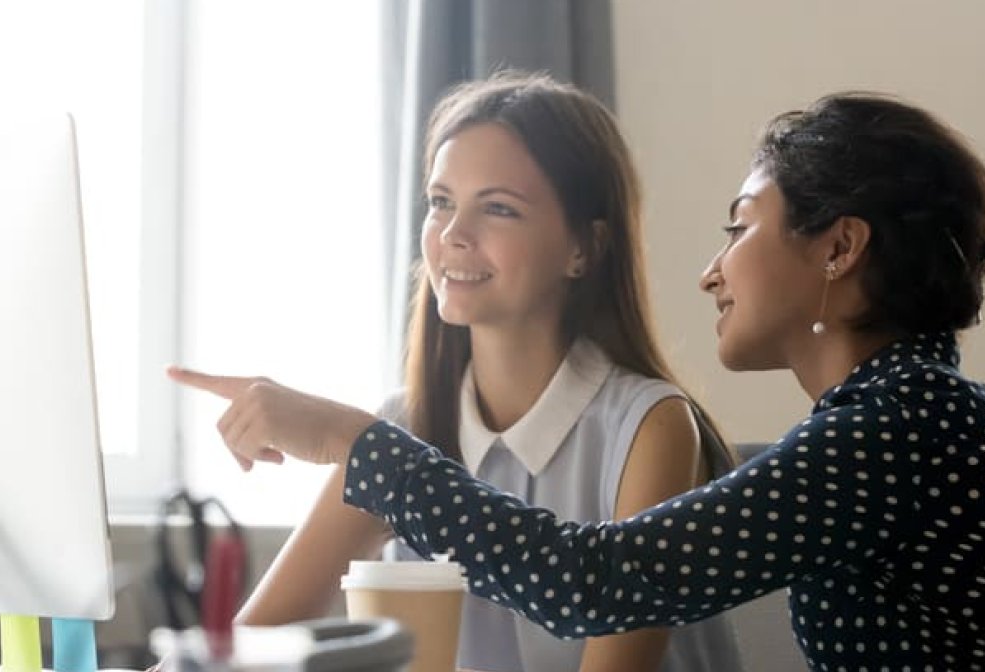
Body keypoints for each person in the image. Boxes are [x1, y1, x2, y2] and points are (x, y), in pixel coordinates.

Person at [175, 92, 985, 670]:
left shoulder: (903, 427)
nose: (713, 270)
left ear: (838, 247)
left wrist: (351, 445)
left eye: (740, 226)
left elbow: (600, 580)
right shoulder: (900, 418)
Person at [170, 71, 744, 672]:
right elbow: (243, 650)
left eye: (498, 208)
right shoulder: (404, 427)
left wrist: (341, 433)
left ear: (584, 247)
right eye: (441, 202)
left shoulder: (651, 428)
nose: (453, 235)